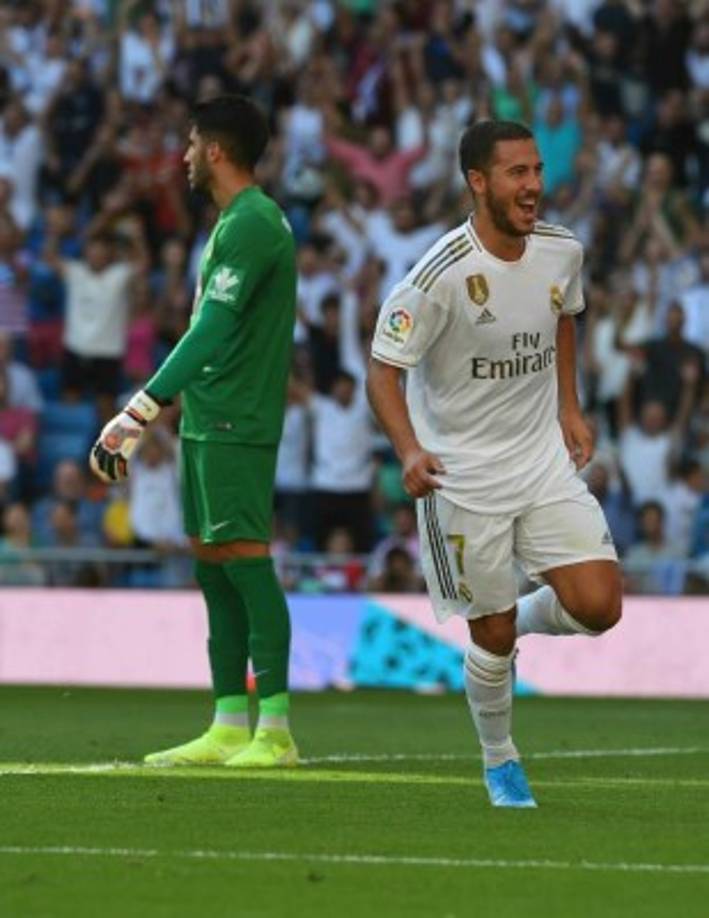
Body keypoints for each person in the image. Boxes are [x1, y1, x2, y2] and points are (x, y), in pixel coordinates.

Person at [366, 120, 622, 808]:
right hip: (462, 480)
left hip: (539, 460)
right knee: (488, 634)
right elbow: (383, 373)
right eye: (516, 173)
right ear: (476, 182)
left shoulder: (560, 251)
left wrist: (569, 406)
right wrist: (409, 451)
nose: (533, 185)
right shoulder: (435, 277)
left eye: (536, 170)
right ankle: (499, 759)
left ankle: (522, 623)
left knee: (598, 607)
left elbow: (563, 316)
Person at [89, 94, 298, 769]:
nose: (180, 156)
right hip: (209, 419)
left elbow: (211, 329)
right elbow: (206, 332)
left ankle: (277, 729)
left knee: (245, 559)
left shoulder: (256, 223)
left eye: (187, 144)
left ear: (214, 149)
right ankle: (228, 724)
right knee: (213, 569)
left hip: (239, 417)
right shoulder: (231, 223)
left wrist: (141, 408)